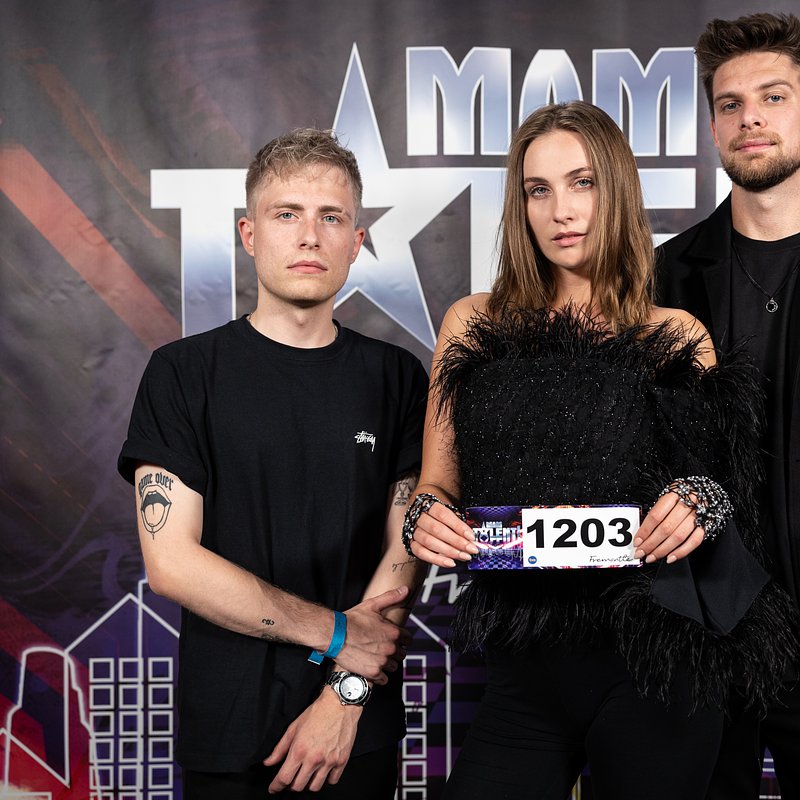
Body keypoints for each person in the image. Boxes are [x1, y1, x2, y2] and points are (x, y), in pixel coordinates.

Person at [402, 100, 798, 800]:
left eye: (582, 182)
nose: (561, 210)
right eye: (539, 189)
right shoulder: (472, 322)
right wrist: (422, 516)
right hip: (524, 667)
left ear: (616, 189)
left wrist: (697, 502)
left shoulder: (677, 334)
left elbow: (717, 495)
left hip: (659, 667)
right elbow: (436, 483)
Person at [117, 128, 429, 799]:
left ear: (357, 240)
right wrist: (339, 634)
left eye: (331, 218)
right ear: (250, 234)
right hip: (228, 730)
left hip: (356, 729)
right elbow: (171, 564)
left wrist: (344, 696)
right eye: (287, 214)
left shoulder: (399, 378)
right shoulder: (183, 374)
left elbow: (407, 550)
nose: (310, 237)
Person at [656, 12, 800, 799]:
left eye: (774, 97)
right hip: (705, 636)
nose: (750, 118)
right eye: (730, 103)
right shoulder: (661, 279)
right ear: (712, 125)